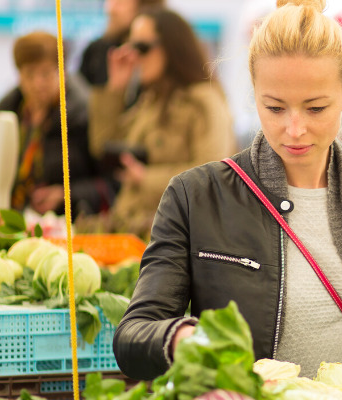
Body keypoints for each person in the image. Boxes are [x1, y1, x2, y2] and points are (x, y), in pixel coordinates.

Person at [113, 0, 342, 381]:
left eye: (315, 108)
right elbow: (133, 336)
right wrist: (181, 338)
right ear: (254, 94)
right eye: (275, 107)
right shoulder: (195, 196)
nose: (295, 129)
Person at [87, 7, 236, 238]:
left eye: (142, 48)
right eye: (130, 46)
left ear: (171, 47)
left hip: (175, 238)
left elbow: (213, 174)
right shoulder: (151, 100)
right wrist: (115, 90)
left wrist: (145, 178)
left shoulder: (203, 101)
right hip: (132, 231)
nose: (134, 57)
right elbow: (102, 146)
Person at [0, 31, 111, 216]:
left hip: (70, 227)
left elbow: (109, 183)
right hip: (18, 222)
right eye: (29, 74)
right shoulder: (10, 115)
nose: (37, 83)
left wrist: (66, 196)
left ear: (62, 72)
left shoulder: (83, 115)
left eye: (45, 73)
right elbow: (2, 189)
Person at [78, 0, 166, 89]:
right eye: (110, 2)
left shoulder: (156, 53)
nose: (111, 10)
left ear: (142, 7)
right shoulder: (96, 50)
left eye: (120, 3)